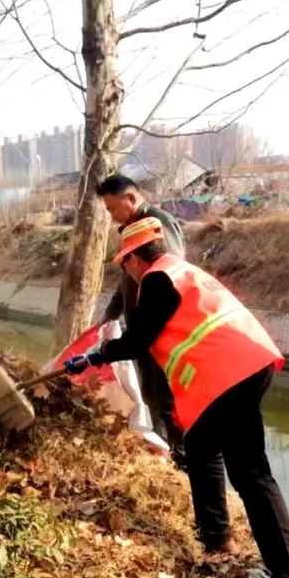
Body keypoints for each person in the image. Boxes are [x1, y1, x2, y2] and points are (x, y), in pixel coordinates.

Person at [64, 216, 289, 578]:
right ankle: (217, 540)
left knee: (250, 474)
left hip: (230, 374)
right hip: (244, 364)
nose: (126, 271)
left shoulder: (157, 279)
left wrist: (95, 356)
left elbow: (139, 340)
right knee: (200, 449)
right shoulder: (180, 270)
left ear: (134, 259)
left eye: (124, 263)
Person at [95, 174, 186, 464]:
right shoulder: (131, 230)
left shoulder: (156, 224)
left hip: (160, 329)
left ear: (131, 198)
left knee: (166, 396)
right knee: (149, 393)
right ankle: (162, 450)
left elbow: (169, 274)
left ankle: (181, 456)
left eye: (113, 208)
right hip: (141, 329)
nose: (111, 215)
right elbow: (126, 283)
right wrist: (110, 316)